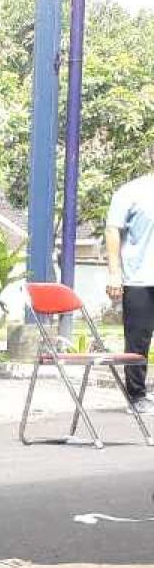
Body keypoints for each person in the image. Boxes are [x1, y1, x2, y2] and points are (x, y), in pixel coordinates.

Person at [105, 174, 154, 414]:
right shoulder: (131, 191)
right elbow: (113, 230)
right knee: (138, 341)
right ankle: (136, 397)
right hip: (140, 279)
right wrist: (115, 273)